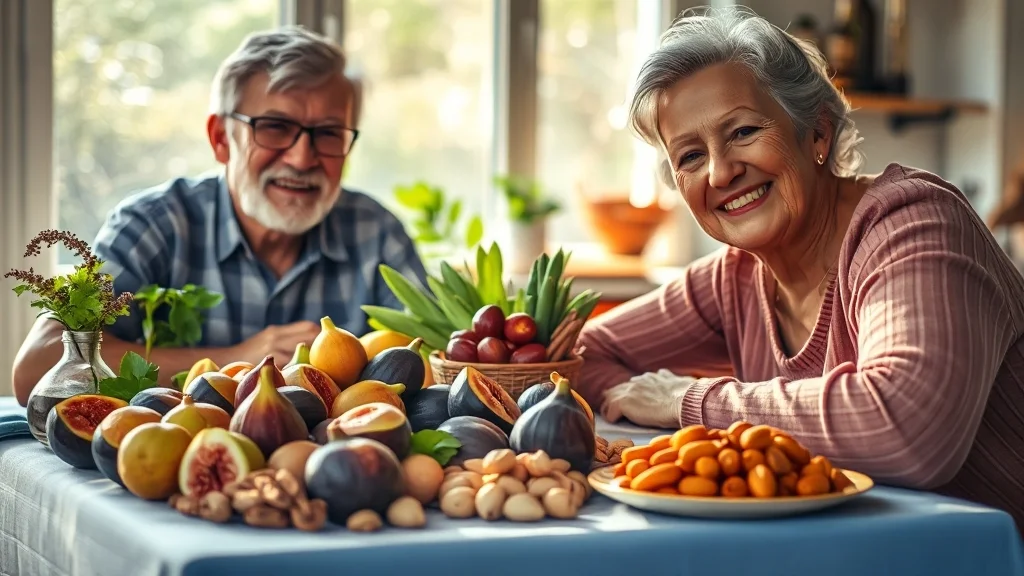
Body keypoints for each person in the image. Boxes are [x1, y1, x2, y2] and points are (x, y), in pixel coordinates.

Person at [576, 7, 1024, 529]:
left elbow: (908, 427)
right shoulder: (735, 276)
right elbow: (586, 356)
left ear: (817, 133)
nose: (721, 171)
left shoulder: (911, 224)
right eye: (691, 157)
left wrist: (685, 400)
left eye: (743, 131)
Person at [11, 26, 427, 403]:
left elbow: (432, 364)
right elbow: (37, 366)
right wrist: (234, 359)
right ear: (220, 139)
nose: (303, 158)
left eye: (328, 133)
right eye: (275, 127)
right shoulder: (153, 225)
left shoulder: (378, 234)